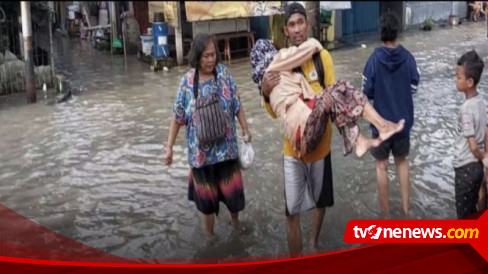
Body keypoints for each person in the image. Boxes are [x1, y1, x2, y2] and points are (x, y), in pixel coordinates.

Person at [250, 38, 405, 157]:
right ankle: (382, 126)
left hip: (301, 141)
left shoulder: (265, 86)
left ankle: (359, 139)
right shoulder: (277, 62)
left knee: (335, 100)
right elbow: (311, 46)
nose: (297, 30)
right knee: (341, 87)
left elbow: (275, 111)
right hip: (305, 127)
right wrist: (313, 41)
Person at [260, 2, 333, 254]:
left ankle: (313, 242)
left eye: (300, 22)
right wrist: (266, 91)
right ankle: (297, 261)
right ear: (286, 32)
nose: (297, 28)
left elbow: (332, 94)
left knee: (321, 203)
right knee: (292, 211)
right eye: (292, 25)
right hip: (292, 150)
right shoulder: (279, 63)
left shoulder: (321, 57)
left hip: (321, 146)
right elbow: (273, 112)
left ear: (308, 25)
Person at [164, 33, 252, 240]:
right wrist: (169, 147)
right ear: (197, 56)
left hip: (227, 150)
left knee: (233, 193)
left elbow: (237, 105)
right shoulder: (187, 82)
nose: (211, 59)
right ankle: (210, 235)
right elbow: (177, 117)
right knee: (206, 201)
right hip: (201, 156)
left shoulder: (224, 75)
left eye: (213, 55)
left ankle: (235, 223)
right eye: (206, 56)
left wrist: (246, 130)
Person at [362, 12, 420, 218]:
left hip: (381, 126)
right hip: (403, 123)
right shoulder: (408, 57)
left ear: (380, 34)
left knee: (381, 166)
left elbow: (365, 93)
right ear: (397, 33)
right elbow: (414, 86)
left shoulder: (374, 60)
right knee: (402, 162)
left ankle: (386, 215)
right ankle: (407, 210)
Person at [453, 50, 488, 219]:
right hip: (477, 169)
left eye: (458, 77)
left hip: (465, 169)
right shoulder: (480, 101)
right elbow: (486, 130)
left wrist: (482, 156)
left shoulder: (465, 109)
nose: (455, 80)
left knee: (464, 217)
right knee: (473, 210)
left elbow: (473, 145)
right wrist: (485, 159)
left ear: (469, 82)